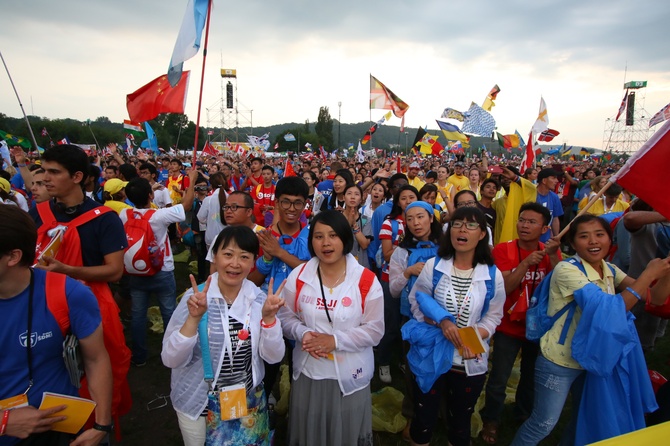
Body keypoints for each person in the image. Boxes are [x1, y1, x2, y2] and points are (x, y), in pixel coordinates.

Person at [511, 214, 670, 446]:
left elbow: (655, 298)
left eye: (599, 235)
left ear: (609, 239)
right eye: (584, 236)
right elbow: (608, 310)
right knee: (543, 423)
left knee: (582, 419)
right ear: (573, 244)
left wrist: (665, 271)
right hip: (560, 362)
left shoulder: (610, 269)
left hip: (592, 359)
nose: (593, 241)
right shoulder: (567, 270)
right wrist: (648, 274)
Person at [30, 144, 132, 427]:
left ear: (76, 176)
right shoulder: (37, 212)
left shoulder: (104, 219)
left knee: (94, 367)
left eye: (54, 172)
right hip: (41, 303)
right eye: (43, 172)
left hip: (89, 305)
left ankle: (96, 427)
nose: (46, 179)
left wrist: (66, 270)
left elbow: (114, 271)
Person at [162, 226, 286, 446]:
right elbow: (171, 359)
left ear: (253, 261)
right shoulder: (196, 298)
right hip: (200, 405)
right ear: (215, 256)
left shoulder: (258, 300)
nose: (235, 264)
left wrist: (269, 320)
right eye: (228, 254)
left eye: (244, 257)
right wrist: (193, 319)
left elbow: (274, 357)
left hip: (247, 403)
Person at [0, 205, 113, 446]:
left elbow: (95, 358)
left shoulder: (67, 292)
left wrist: (102, 424)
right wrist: (4, 421)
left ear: (13, 256)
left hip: (58, 427)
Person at [278, 210, 384, 446]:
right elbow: (285, 317)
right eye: (318, 236)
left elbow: (375, 330)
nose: (325, 243)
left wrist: (334, 341)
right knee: (310, 429)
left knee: (344, 432)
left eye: (333, 235)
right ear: (311, 241)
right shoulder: (299, 276)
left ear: (345, 239)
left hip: (350, 374)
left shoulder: (366, 280)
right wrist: (302, 333)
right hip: (309, 371)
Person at [406, 206, 505, 446]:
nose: (462, 229)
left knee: (461, 419)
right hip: (432, 353)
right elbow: (416, 301)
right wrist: (440, 321)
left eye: (471, 225)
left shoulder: (492, 274)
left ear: (482, 234)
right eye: (457, 224)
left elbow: (493, 317)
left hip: (468, 356)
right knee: (424, 414)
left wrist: (467, 335)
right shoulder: (434, 266)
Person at [479, 203, 561, 445]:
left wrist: (554, 255)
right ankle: (491, 419)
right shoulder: (504, 251)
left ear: (545, 228)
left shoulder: (550, 251)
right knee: (499, 377)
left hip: (538, 328)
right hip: (508, 327)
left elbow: (562, 284)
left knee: (531, 376)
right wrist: (525, 265)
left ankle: (524, 414)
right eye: (522, 220)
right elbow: (503, 287)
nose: (524, 225)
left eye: (532, 222)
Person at [121, 171, 197, 366]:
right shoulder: (158, 216)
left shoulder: (124, 214)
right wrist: (192, 180)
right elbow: (186, 205)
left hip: (136, 272)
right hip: (162, 271)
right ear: (151, 196)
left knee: (138, 315)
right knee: (169, 312)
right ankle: (171, 353)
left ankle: (139, 356)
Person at [377, 185, 419, 383]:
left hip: (417, 282)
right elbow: (386, 255)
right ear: (397, 202)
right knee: (391, 324)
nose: (408, 201)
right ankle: (383, 362)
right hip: (391, 279)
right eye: (404, 198)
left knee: (410, 323)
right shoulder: (390, 223)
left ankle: (405, 361)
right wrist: (405, 244)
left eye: (412, 197)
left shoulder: (423, 223)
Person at [341, 184, 371, 268]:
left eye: (357, 194)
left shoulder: (366, 220)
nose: (352, 197)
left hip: (360, 265)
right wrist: (348, 223)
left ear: (361, 199)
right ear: (343, 197)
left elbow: (364, 244)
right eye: (349, 193)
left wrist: (354, 225)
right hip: (340, 263)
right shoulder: (336, 218)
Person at [534, 169, 563, 243]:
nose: (556, 181)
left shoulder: (554, 197)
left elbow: (555, 219)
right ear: (544, 181)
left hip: (546, 241)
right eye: (553, 178)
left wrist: (557, 238)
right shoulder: (531, 195)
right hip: (531, 241)